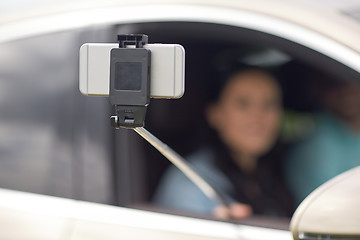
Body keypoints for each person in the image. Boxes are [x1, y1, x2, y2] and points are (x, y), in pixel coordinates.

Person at [153, 65, 294, 219]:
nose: (258, 116)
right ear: (215, 114)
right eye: (243, 103)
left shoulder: (276, 173)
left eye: (269, 104)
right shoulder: (189, 182)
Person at [285, 75, 360, 204]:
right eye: (333, 85)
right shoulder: (317, 145)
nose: (346, 90)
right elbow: (334, 206)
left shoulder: (350, 133)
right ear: (319, 92)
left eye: (353, 81)